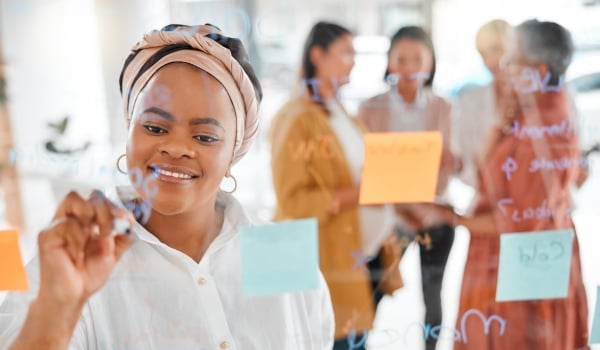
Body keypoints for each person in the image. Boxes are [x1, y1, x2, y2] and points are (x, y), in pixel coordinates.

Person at [0, 24, 334, 349]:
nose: (176, 148)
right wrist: (56, 310)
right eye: (155, 128)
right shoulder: (71, 264)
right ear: (129, 130)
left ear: (233, 153)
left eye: (205, 136)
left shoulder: (282, 253)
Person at [433, 19, 589, 349]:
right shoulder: (529, 113)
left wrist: (449, 217)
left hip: (519, 265)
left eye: (512, 58)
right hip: (508, 259)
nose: (503, 66)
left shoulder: (544, 129)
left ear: (540, 70)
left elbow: (519, 223)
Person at [269, 21, 403, 350]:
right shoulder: (295, 118)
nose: (353, 62)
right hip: (327, 264)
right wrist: (356, 195)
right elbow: (293, 203)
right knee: (340, 342)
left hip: (365, 256)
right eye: (345, 53)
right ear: (318, 55)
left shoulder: (340, 112)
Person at [357, 26, 456, 350]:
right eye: (401, 58)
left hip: (434, 217)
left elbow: (447, 165)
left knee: (432, 293)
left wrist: (423, 205)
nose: (410, 66)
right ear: (389, 62)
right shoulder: (370, 109)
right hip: (389, 219)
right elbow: (366, 167)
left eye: (418, 58)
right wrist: (402, 207)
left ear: (431, 63)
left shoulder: (443, 107)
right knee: (373, 291)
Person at [453, 19, 512, 196]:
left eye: (496, 48)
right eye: (483, 54)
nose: (491, 61)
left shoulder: (542, 98)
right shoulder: (470, 101)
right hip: (489, 202)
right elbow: (470, 168)